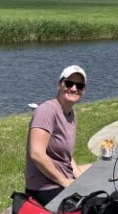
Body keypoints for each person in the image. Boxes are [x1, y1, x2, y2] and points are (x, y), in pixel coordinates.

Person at [24, 64, 91, 206]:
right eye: (69, 83)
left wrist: (79, 177)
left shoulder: (71, 114)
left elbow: (66, 156)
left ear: (83, 91)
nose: (73, 88)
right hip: (45, 188)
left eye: (79, 86)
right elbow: (36, 154)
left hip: (62, 180)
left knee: (98, 175)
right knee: (97, 207)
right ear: (59, 85)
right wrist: (65, 181)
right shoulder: (46, 111)